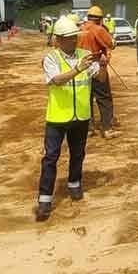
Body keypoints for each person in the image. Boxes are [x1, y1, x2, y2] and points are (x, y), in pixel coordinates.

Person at [36, 16, 96, 222]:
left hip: (81, 115)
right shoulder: (51, 59)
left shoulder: (85, 55)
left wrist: (103, 66)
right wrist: (78, 69)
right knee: (50, 158)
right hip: (58, 116)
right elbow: (56, 80)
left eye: (75, 37)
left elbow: (99, 77)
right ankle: (44, 199)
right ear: (59, 39)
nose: (74, 40)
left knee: (78, 153)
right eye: (70, 37)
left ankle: (74, 183)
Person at [77, 5, 119, 139]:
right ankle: (107, 129)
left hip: (81, 67)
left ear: (88, 17)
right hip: (96, 65)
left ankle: (89, 128)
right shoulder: (98, 29)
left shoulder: (80, 29)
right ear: (100, 19)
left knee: (86, 97)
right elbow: (111, 44)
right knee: (104, 97)